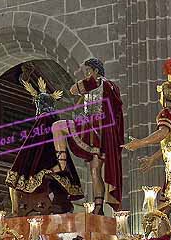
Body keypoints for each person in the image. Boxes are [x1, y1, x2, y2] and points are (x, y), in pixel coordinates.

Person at [121, 59, 171, 208]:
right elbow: (170, 144)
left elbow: (162, 133)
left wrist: (140, 143)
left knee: (169, 210)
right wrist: (153, 158)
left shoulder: (167, 113)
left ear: (165, 95)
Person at [51, 58, 124, 215]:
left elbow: (72, 90)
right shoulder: (110, 86)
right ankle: (98, 208)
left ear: (96, 71)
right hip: (103, 134)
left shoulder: (96, 81)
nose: (86, 74)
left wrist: (83, 85)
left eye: (87, 71)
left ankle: (62, 164)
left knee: (57, 127)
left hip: (92, 127)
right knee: (94, 171)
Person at [6, 77, 84, 215]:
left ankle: (15, 211)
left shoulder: (43, 121)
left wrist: (32, 171)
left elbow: (34, 148)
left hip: (45, 174)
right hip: (58, 172)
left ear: (39, 105)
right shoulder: (54, 120)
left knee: (12, 181)